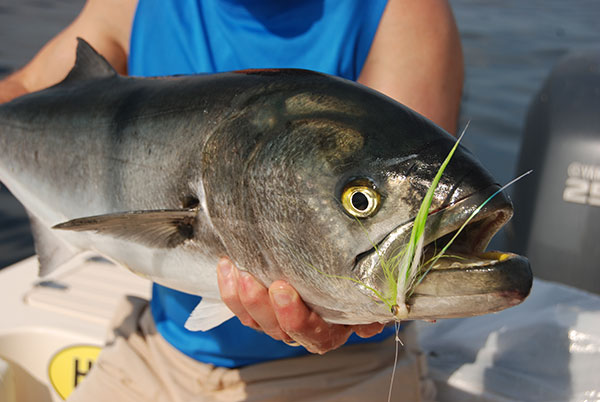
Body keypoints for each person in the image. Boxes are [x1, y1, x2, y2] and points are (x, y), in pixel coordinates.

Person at [0, 0, 463, 400]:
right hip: (158, 353)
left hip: (344, 375)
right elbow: (20, 91)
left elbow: (400, 242)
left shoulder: (398, 10)